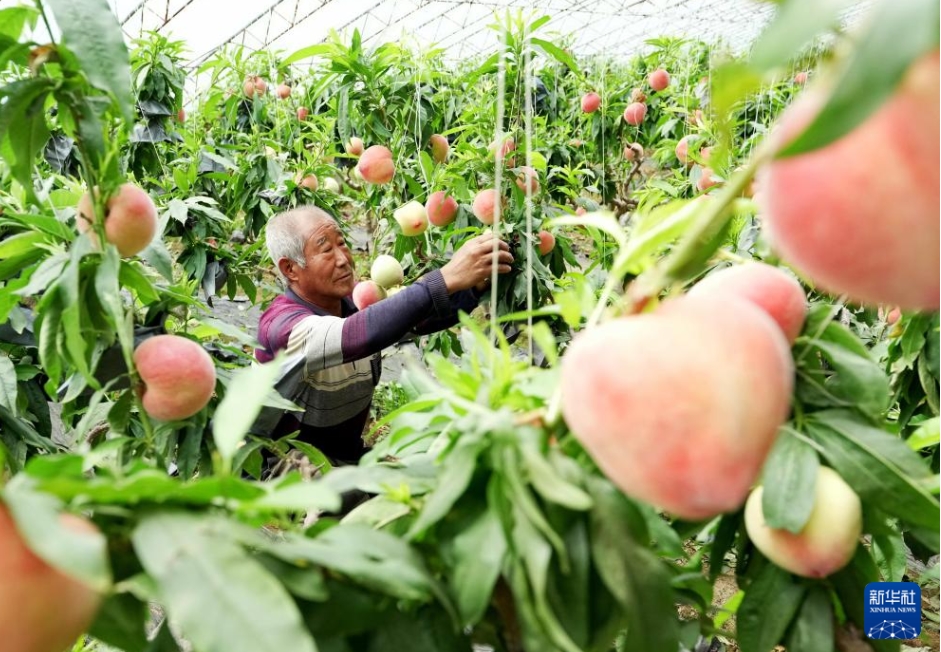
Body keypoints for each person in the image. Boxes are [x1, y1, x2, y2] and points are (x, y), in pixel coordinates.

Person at [251, 204, 514, 466]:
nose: (343, 258)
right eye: (326, 249)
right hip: (284, 468)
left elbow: (412, 317)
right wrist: (444, 278)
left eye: (341, 243)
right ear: (290, 269)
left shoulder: (354, 302)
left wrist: (474, 285)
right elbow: (358, 334)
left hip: (345, 459)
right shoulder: (283, 326)